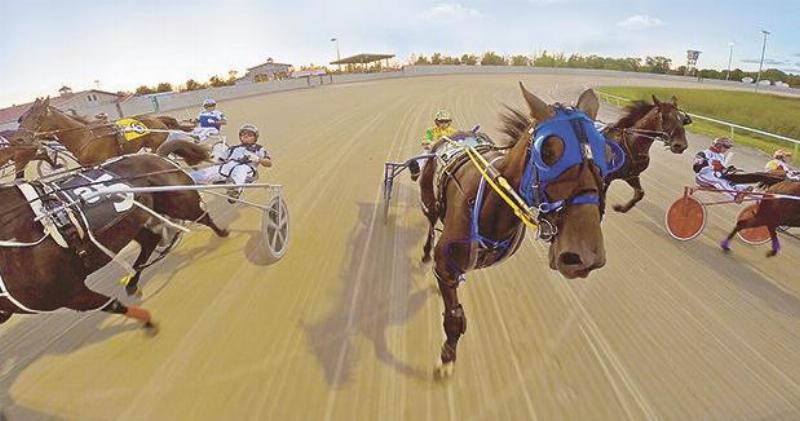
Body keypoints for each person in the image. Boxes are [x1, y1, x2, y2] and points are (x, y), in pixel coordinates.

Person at [191, 124, 271, 203]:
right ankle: (190, 178)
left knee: (240, 169)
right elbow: (219, 161)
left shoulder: (259, 149)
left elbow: (269, 163)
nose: (246, 136)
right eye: (243, 134)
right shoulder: (233, 148)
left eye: (249, 135)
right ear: (240, 136)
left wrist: (258, 159)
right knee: (202, 173)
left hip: (246, 168)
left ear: (255, 137)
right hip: (227, 167)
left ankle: (235, 191)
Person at [693, 137, 751, 202]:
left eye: (728, 147)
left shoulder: (721, 156)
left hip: (715, 176)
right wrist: (710, 166)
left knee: (729, 180)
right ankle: (735, 196)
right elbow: (696, 169)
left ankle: (743, 188)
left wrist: (726, 170)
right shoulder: (703, 153)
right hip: (703, 177)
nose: (727, 149)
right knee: (719, 181)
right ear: (718, 145)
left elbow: (720, 170)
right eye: (726, 147)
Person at [409, 109, 457, 181]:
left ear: (449, 122)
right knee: (416, 162)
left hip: (448, 152)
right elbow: (425, 141)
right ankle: (416, 173)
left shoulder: (454, 131)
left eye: (446, 121)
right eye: (441, 121)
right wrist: (431, 143)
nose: (444, 123)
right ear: (437, 122)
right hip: (433, 152)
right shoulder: (431, 131)